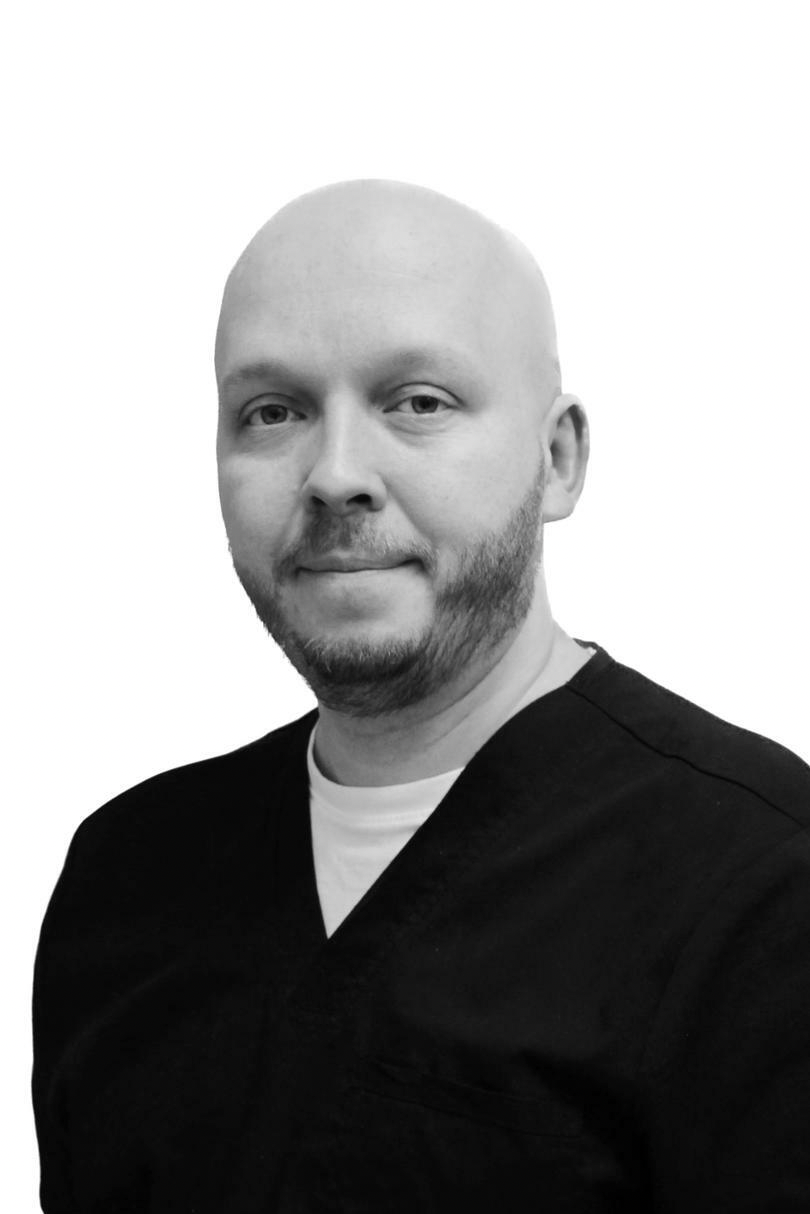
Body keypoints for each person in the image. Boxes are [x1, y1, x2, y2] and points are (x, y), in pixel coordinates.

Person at [32, 179, 810, 1213]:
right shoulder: (126, 878)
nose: (335, 474)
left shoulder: (760, 886)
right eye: (273, 412)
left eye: (418, 402)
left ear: (558, 458)